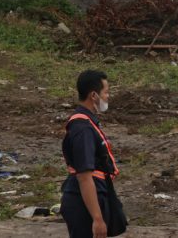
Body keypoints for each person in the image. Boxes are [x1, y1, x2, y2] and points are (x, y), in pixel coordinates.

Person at [61, 70, 125, 238]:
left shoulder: (88, 122)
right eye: (106, 92)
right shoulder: (83, 129)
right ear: (94, 95)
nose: (108, 96)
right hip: (83, 203)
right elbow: (84, 176)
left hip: (94, 195)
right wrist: (97, 218)